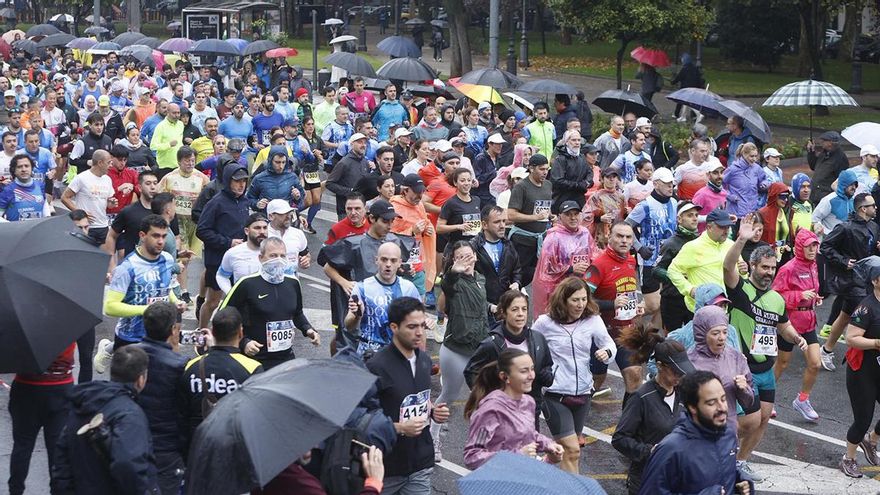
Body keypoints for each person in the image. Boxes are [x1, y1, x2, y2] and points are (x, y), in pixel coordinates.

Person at [724, 213, 808, 480]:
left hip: (765, 368)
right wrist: (740, 239)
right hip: (740, 366)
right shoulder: (739, 290)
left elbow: (782, 325)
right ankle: (719, 454)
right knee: (741, 422)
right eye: (764, 268)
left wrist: (796, 337)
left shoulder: (776, 299)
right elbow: (728, 268)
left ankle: (741, 461)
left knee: (761, 419)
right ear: (752, 266)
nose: (769, 273)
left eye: (772, 268)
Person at [366, 297, 450, 495]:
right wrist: (399, 428)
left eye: (422, 325)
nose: (420, 332)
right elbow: (362, 419)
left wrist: (432, 411)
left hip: (419, 463)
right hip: (387, 468)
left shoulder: (424, 361)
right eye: (412, 326)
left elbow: (417, 398)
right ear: (394, 327)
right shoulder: (377, 367)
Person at [533, 277, 616, 474]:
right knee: (572, 450)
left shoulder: (593, 320)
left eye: (583, 299)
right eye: (575, 300)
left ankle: (541, 467)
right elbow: (529, 346)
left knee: (564, 452)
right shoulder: (545, 323)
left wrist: (607, 353)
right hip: (555, 395)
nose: (580, 305)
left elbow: (610, 344)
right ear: (563, 300)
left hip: (584, 393)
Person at [51, 346, 160, 495]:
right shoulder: (131, 414)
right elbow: (128, 465)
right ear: (141, 379)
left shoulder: (82, 403)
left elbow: (62, 456)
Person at [638, 370, 754, 495]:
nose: (722, 407)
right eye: (711, 403)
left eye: (723, 399)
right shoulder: (670, 449)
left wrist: (740, 478)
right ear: (692, 407)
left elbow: (722, 466)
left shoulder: (728, 435)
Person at [320, 198, 410, 354]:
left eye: (392, 221)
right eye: (385, 221)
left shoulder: (394, 240)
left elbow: (398, 267)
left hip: (385, 306)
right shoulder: (353, 244)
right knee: (352, 348)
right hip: (362, 309)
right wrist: (344, 282)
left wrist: (403, 270)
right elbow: (327, 266)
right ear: (372, 219)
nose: (389, 225)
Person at [94, 214, 180, 376]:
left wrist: (176, 301)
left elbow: (165, 289)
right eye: (155, 236)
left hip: (158, 336)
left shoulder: (167, 260)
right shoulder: (127, 267)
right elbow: (110, 307)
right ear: (142, 235)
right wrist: (146, 310)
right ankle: (107, 349)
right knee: (131, 387)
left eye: (163, 236)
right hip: (130, 337)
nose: (161, 241)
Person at [612, 328, 694, 495]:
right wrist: (649, 451)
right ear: (659, 366)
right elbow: (619, 439)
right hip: (647, 479)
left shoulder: (683, 393)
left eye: (682, 371)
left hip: (676, 478)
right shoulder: (641, 397)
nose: (680, 376)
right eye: (675, 371)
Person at [219, 237, 318, 369]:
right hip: (254, 359)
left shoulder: (293, 283)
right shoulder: (246, 283)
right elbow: (223, 318)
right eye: (273, 256)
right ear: (261, 258)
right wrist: (243, 342)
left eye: (282, 256)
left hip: (286, 358)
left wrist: (308, 329)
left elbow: (297, 313)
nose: (278, 259)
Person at [431, 241, 489, 460]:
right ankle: (433, 437)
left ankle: (482, 445)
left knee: (485, 399)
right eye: (460, 257)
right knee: (449, 395)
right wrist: (452, 273)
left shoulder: (481, 279)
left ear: (475, 256)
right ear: (453, 260)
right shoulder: (451, 280)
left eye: (468, 256)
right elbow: (444, 299)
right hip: (455, 350)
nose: (465, 260)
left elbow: (482, 307)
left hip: (479, 349)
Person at [462, 348, 563, 469]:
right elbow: (472, 456)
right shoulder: (490, 410)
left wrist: (549, 446)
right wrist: (517, 455)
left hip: (522, 478)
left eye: (532, 369)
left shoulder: (528, 402)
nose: (531, 376)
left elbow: (528, 435)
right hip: (497, 482)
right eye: (524, 371)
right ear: (505, 377)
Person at [179, 307, 263, 449]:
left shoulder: (190, 366)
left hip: (197, 446)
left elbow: (181, 414)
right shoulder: (253, 368)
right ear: (241, 333)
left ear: (212, 331)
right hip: (236, 446)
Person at [464, 289, 554, 422]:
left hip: (530, 410)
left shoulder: (538, 339)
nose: (520, 314)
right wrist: (488, 397)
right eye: (515, 309)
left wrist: (546, 375)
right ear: (504, 313)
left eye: (524, 309)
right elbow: (471, 371)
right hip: (500, 414)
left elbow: (547, 365)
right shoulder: (491, 344)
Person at [818, 192, 880, 371]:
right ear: (863, 209)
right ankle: (861, 356)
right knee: (865, 316)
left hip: (869, 278)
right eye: (872, 205)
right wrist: (844, 261)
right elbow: (825, 246)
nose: (875, 208)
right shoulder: (845, 228)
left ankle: (827, 349)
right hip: (852, 281)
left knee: (845, 316)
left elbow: (871, 248)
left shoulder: (874, 226)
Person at [6, 343, 75, 495]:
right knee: (57, 449)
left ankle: (15, 490)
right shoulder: (70, 322)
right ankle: (57, 490)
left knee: (22, 445)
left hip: (26, 387)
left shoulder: (24, 325)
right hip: (61, 388)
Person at [135, 302, 188, 494]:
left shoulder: (128, 355)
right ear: (173, 329)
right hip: (167, 447)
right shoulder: (180, 365)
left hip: (133, 440)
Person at [586, 222, 643, 398]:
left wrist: (637, 306)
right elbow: (583, 302)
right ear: (609, 237)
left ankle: (629, 423)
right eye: (619, 236)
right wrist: (612, 304)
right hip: (601, 333)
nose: (624, 241)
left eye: (628, 237)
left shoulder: (632, 261)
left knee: (634, 375)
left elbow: (629, 293)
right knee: (597, 378)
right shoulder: (598, 265)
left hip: (625, 331)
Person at [771, 228, 823, 421]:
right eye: (809, 246)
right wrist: (799, 296)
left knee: (815, 363)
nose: (813, 250)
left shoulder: (814, 265)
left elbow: (810, 290)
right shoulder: (788, 268)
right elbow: (775, 295)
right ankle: (767, 397)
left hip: (808, 322)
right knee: (782, 363)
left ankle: (802, 400)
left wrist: (814, 299)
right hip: (789, 324)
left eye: (815, 246)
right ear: (800, 247)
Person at [196, 161, 250, 329]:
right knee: (212, 301)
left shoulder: (245, 201)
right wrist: (228, 242)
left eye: (244, 181)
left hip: (239, 260)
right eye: (237, 181)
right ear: (228, 181)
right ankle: (202, 331)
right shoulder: (216, 202)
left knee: (236, 301)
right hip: (218, 260)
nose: (241, 185)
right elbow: (202, 230)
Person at [839, 257, 880, 478]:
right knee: (862, 418)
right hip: (862, 370)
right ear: (875, 281)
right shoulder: (866, 308)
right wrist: (876, 343)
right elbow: (851, 338)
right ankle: (849, 458)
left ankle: (871, 441)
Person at [345, 242, 420, 355]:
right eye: (384, 259)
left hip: (398, 354)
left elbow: (419, 319)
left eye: (393, 260)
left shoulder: (409, 288)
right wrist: (357, 316)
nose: (388, 264)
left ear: (400, 263)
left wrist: (426, 322)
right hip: (368, 355)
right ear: (376, 260)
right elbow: (348, 326)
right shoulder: (362, 287)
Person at [626, 167, 677, 326]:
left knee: (665, 303)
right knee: (653, 304)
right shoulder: (645, 205)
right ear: (655, 184)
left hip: (669, 260)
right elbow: (626, 225)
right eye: (667, 184)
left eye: (672, 184)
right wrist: (639, 247)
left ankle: (652, 339)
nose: (671, 187)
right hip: (649, 262)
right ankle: (625, 321)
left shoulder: (674, 203)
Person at [531, 200, 596, 316]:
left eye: (576, 214)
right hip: (560, 289)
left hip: (581, 287)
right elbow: (547, 268)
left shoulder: (585, 233)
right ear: (560, 216)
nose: (573, 218)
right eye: (568, 214)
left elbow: (594, 254)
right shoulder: (553, 237)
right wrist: (571, 268)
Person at [667, 208, 735, 313]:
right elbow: (672, 270)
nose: (726, 231)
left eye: (728, 227)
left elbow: (739, 273)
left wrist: (743, 271)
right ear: (709, 227)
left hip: (724, 307)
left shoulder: (731, 245)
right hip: (699, 309)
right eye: (722, 227)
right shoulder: (693, 247)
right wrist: (690, 290)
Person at [653, 201, 701, 330]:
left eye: (696, 215)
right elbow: (656, 270)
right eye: (690, 215)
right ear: (679, 219)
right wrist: (676, 278)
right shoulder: (670, 243)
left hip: (694, 299)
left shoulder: (701, 242)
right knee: (673, 341)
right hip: (673, 299)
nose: (695, 218)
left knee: (695, 338)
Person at [506, 154, 552, 287]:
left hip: (540, 239)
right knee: (517, 274)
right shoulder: (521, 187)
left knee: (534, 274)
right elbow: (511, 215)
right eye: (542, 169)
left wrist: (550, 215)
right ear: (531, 169)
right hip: (522, 239)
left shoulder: (548, 185)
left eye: (547, 169)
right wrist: (534, 217)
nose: (545, 172)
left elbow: (544, 208)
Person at [390, 174, 436, 298]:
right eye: (416, 192)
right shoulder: (394, 207)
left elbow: (425, 223)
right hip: (399, 267)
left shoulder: (420, 205)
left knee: (420, 303)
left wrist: (427, 230)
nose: (420, 196)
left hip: (417, 263)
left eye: (421, 192)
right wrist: (411, 232)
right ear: (405, 190)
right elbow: (388, 237)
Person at [469, 205, 521, 307]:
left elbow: (517, 270)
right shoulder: (473, 247)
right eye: (497, 222)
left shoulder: (508, 244)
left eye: (504, 221)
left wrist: (516, 282)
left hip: (503, 304)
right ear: (484, 225)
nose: (502, 226)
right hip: (479, 305)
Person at [61, 149, 116, 244]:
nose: (111, 166)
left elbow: (107, 201)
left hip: (103, 225)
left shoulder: (107, 179)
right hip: (86, 226)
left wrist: (111, 203)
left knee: (103, 257)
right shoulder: (81, 178)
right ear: (100, 163)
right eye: (108, 163)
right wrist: (79, 212)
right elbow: (64, 197)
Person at [216, 213, 269, 293]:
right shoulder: (233, 253)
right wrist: (231, 293)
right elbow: (221, 276)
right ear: (247, 231)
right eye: (257, 228)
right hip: (244, 302)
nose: (262, 232)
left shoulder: (276, 251)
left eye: (265, 228)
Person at [327, 132, 370, 218]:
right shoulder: (344, 163)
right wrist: (350, 191)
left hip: (361, 209)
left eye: (364, 142)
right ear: (352, 144)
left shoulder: (365, 162)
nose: (363, 145)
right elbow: (329, 184)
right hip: (346, 211)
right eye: (359, 142)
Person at [723, 142, 770, 219]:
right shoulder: (733, 169)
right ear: (744, 154)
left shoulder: (757, 168)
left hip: (752, 211)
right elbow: (720, 185)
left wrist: (764, 184)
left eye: (756, 156)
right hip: (735, 214)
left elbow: (764, 180)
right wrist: (729, 196)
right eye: (751, 156)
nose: (754, 159)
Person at [584, 166, 626, 249]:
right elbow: (585, 217)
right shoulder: (596, 196)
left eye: (614, 177)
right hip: (600, 236)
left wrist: (628, 213)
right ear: (602, 179)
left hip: (617, 235)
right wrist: (599, 218)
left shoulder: (621, 197)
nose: (611, 179)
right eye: (608, 177)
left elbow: (623, 217)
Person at [265, 199, 310, 276]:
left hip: (290, 283)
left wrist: (305, 261)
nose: (288, 216)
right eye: (283, 213)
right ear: (271, 216)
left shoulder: (298, 233)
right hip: (267, 282)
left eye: (289, 213)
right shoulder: (262, 235)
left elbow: (305, 254)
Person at [550, 130, 592, 212]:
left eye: (579, 140)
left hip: (579, 199)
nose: (577, 143)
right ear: (566, 142)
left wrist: (587, 183)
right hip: (562, 200)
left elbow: (589, 173)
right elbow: (557, 180)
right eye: (573, 140)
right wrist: (577, 185)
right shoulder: (560, 159)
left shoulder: (582, 157)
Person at [0, 154, 49, 221]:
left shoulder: (40, 186)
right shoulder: (7, 190)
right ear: (14, 170)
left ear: (32, 168)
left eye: (27, 166)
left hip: (38, 230)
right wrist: (9, 226)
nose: (24, 169)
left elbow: (45, 207)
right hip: (17, 231)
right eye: (19, 167)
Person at [813, 168, 857, 238]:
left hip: (847, 243)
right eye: (851, 184)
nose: (854, 187)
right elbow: (814, 219)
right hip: (830, 243)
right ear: (844, 184)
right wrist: (828, 234)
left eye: (855, 184)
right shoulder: (829, 200)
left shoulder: (854, 201)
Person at [808, 130, 850, 205]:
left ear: (830, 143)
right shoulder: (824, 153)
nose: (821, 143)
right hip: (814, 195)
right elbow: (814, 166)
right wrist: (811, 152)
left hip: (826, 198)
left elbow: (842, 180)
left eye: (824, 141)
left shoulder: (840, 158)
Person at [691, 159, 728, 232]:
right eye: (715, 173)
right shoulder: (701, 194)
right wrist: (709, 218)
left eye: (721, 172)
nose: (720, 176)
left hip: (719, 236)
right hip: (703, 238)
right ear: (708, 175)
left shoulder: (724, 193)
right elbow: (690, 217)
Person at [150, 103, 184, 176]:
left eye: (178, 113)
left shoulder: (181, 124)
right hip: (165, 166)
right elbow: (153, 146)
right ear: (167, 113)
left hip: (178, 164)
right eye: (174, 113)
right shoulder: (160, 126)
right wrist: (168, 145)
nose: (177, 115)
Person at [670, 53, 703, 120]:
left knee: (680, 102)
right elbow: (699, 79)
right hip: (694, 89)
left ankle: (677, 114)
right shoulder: (695, 69)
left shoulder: (684, 69)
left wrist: (673, 82)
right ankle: (694, 116)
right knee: (693, 102)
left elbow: (679, 77)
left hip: (685, 89)